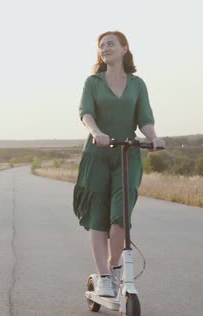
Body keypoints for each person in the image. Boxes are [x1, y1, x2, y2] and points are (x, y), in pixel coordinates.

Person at [73, 31, 165, 297]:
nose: (105, 49)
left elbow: (145, 118)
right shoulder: (93, 82)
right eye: (101, 46)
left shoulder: (137, 84)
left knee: (120, 217)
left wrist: (155, 138)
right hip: (98, 154)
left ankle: (113, 268)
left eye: (111, 44)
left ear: (125, 48)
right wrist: (96, 132)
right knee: (98, 218)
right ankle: (103, 277)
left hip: (127, 154)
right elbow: (86, 112)